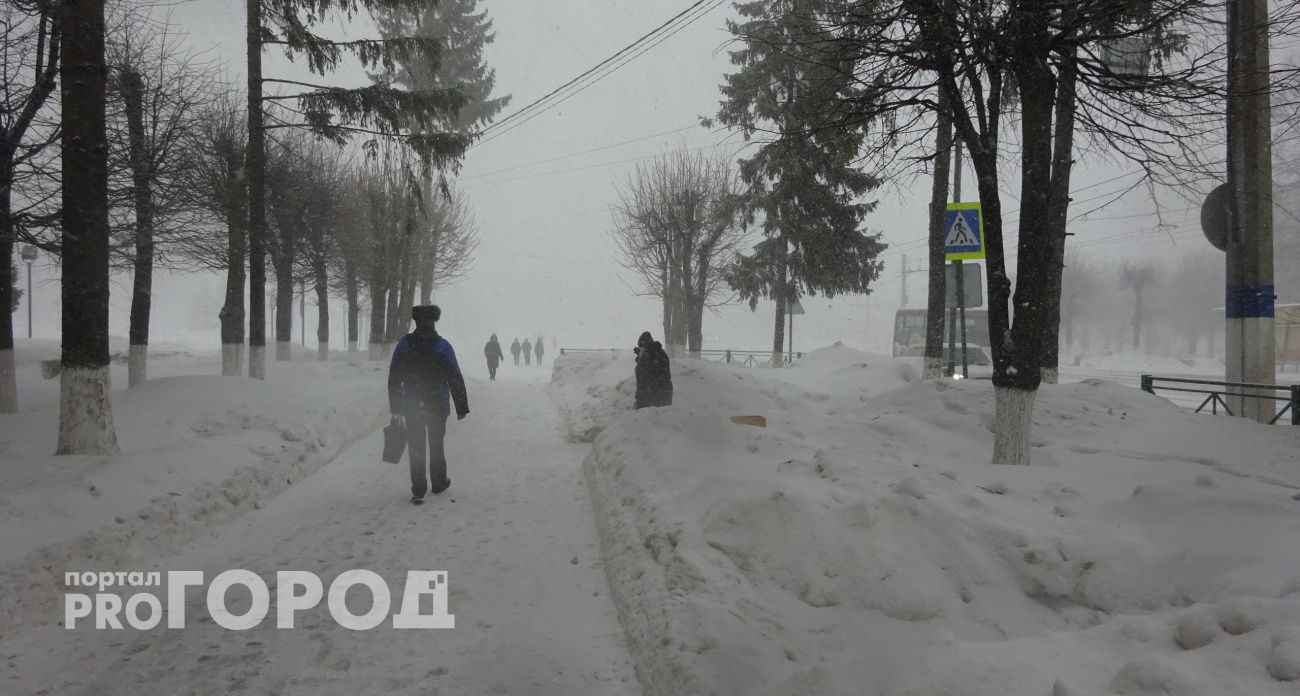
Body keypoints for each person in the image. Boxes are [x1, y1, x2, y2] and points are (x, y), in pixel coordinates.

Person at [389, 305, 469, 504]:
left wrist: (396, 405)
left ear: (416, 322)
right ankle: (439, 482)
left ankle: (418, 488)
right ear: (434, 322)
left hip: (412, 404)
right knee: (436, 445)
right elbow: (455, 377)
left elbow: (394, 376)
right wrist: (461, 407)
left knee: (416, 446)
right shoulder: (443, 347)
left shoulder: (405, 345)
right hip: (437, 405)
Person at [633, 331, 672, 409]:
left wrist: (641, 357)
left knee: (650, 420)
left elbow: (641, 372)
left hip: (651, 397)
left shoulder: (648, 356)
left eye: (642, 348)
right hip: (664, 394)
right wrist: (641, 355)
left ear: (645, 346)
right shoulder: (659, 352)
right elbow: (654, 366)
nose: (641, 350)